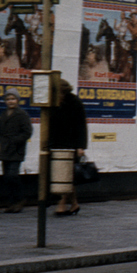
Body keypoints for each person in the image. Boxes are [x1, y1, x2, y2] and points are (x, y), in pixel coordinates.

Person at [48, 79, 88, 216]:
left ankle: (62, 204)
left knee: (66, 175)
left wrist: (81, 146)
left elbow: (81, 126)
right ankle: (74, 203)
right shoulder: (53, 103)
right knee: (64, 176)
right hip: (57, 143)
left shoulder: (74, 102)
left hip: (71, 143)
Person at [0, 88, 32, 213]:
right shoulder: (3, 114)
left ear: (18, 100)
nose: (10, 102)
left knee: (12, 175)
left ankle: (19, 199)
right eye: (8, 99)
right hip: (5, 150)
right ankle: (12, 202)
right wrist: (0, 140)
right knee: (7, 177)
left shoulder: (22, 114)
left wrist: (15, 141)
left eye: (13, 99)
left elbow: (27, 132)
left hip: (17, 150)